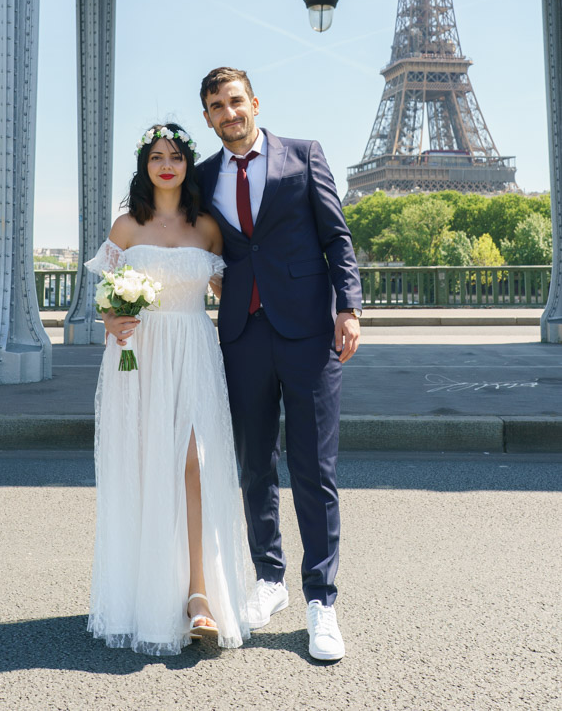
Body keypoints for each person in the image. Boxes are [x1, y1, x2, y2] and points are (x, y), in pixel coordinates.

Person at [196, 67, 362, 662]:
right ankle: (270, 581)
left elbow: (337, 240)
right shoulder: (201, 178)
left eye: (235, 101)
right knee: (252, 465)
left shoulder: (304, 155)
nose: (228, 112)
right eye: (216, 106)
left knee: (313, 469)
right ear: (209, 118)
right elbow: (176, 239)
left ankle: (322, 600)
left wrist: (350, 309)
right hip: (241, 335)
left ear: (254, 103)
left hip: (310, 332)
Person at [85, 123, 252, 655]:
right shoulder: (126, 227)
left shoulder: (207, 229)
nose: (166, 165)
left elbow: (232, 291)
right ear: (145, 166)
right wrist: (111, 320)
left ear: (187, 165)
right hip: (137, 359)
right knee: (146, 469)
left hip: (192, 352)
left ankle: (199, 593)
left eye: (176, 156)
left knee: (194, 464)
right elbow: (102, 293)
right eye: (156, 156)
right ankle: (148, 592)